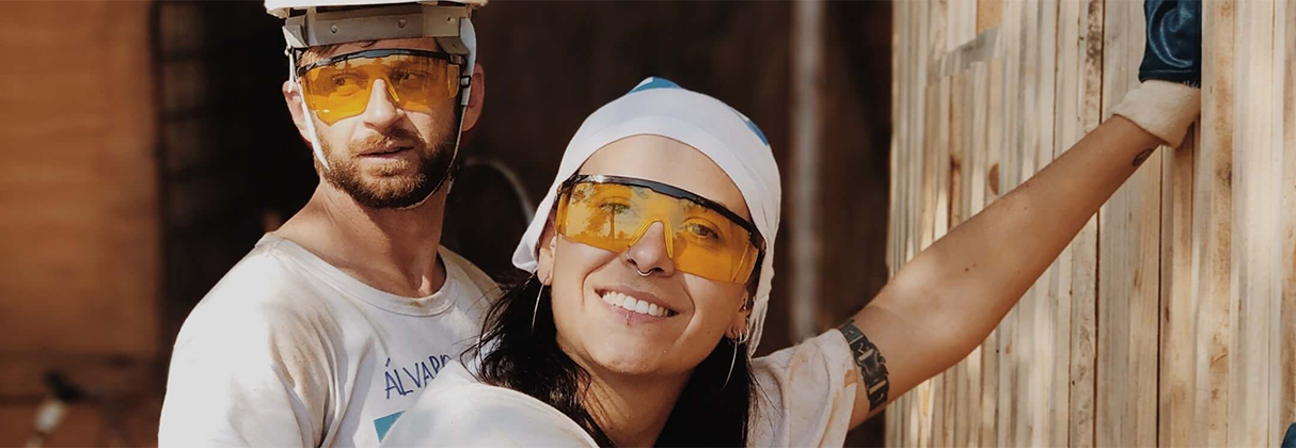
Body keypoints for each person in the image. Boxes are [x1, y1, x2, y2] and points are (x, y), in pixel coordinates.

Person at [381, 1, 1204, 445]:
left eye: (706, 233)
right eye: (613, 209)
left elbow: (924, 313)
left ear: (747, 302)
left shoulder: (738, 419)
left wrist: (1152, 108)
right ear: (549, 246)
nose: (650, 253)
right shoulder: (483, 431)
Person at [157, 1, 501, 447]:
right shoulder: (252, 328)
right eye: (341, 83)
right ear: (301, 111)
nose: (381, 113)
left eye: (413, 76)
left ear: (469, 97)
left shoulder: (483, 304)